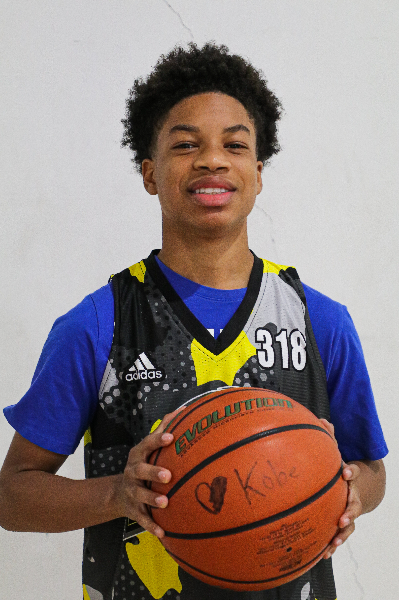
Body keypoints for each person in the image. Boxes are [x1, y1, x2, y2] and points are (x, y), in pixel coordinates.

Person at [0, 43, 387, 600]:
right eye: (186, 145)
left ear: (258, 173)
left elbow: (371, 470)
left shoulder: (317, 320)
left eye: (235, 144)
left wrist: (348, 492)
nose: (212, 160)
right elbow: (12, 496)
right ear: (150, 173)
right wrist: (117, 494)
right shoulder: (99, 324)